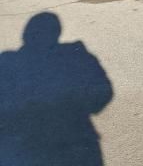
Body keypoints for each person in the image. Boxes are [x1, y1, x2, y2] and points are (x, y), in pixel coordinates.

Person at [0, 13, 113, 166]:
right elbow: (103, 92)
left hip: (23, 149)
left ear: (25, 35)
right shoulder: (77, 56)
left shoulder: (7, 62)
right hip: (75, 145)